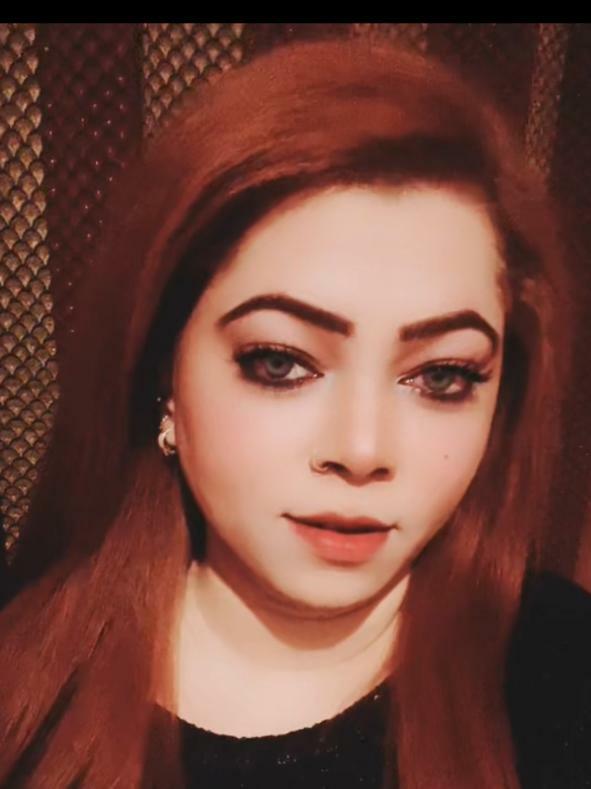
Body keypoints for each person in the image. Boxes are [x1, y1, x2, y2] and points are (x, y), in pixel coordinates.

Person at [0, 34, 590, 789]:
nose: (363, 449)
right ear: (163, 375)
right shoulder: (25, 677)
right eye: (279, 363)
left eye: (441, 376)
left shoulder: (559, 676)